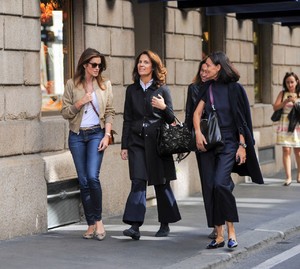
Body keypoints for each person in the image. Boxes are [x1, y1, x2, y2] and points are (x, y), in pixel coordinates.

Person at [193, 51, 263, 249]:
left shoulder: (235, 89)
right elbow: (197, 114)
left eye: (208, 65)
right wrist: (198, 133)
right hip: (209, 144)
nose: (205, 68)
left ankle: (231, 231)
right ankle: (220, 235)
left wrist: (242, 146)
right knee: (212, 186)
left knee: (220, 184)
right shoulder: (208, 88)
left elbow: (242, 120)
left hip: (230, 143)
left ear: (218, 67)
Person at [120, 50, 181, 240]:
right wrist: (124, 145)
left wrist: (163, 107)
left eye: (145, 62)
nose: (141, 65)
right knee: (138, 181)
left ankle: (165, 224)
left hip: (158, 142)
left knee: (161, 183)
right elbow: (127, 119)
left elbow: (172, 119)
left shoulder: (162, 90)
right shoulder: (132, 90)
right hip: (137, 141)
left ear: (153, 67)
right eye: (139, 62)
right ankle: (135, 225)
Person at [61, 48, 115, 240]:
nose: (97, 68)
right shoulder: (72, 84)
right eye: (94, 65)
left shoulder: (105, 85)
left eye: (100, 65)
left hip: (96, 134)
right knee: (83, 181)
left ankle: (99, 220)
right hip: (77, 136)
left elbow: (109, 111)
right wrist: (80, 102)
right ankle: (90, 224)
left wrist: (107, 135)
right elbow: (65, 112)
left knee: (93, 177)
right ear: (84, 65)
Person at [185, 59, 217, 240]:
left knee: (221, 183)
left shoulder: (219, 88)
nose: (204, 74)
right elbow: (190, 114)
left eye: (207, 71)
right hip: (202, 140)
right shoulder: (194, 88)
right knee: (207, 184)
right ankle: (214, 224)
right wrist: (186, 140)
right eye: (202, 71)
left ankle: (223, 219)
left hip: (220, 140)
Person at [273, 72, 300, 186]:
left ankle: (299, 174)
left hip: (297, 125)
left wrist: (295, 102)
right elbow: (275, 107)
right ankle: (288, 177)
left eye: (292, 82)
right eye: (288, 82)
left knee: (298, 152)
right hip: (284, 124)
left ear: (297, 82)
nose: (290, 84)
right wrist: (285, 101)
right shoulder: (283, 93)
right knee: (286, 150)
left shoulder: (299, 93)